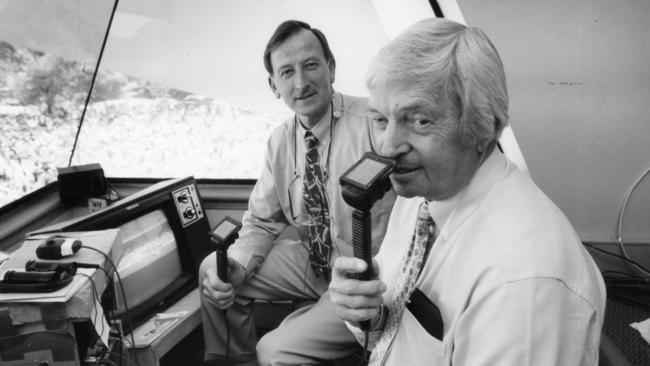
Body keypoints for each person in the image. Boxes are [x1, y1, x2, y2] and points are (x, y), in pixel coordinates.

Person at [329, 18, 606, 366]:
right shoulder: (423, 193)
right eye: (381, 120)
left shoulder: (522, 284)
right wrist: (366, 312)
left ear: (482, 126)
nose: (387, 147)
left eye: (420, 121)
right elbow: (397, 325)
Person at [199, 20, 396, 365]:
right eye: (287, 72)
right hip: (315, 264)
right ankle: (234, 360)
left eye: (310, 66)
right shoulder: (279, 142)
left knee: (274, 351)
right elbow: (261, 222)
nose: (301, 83)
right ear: (274, 85)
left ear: (331, 68)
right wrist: (238, 265)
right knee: (214, 271)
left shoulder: (376, 124)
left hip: (364, 277)